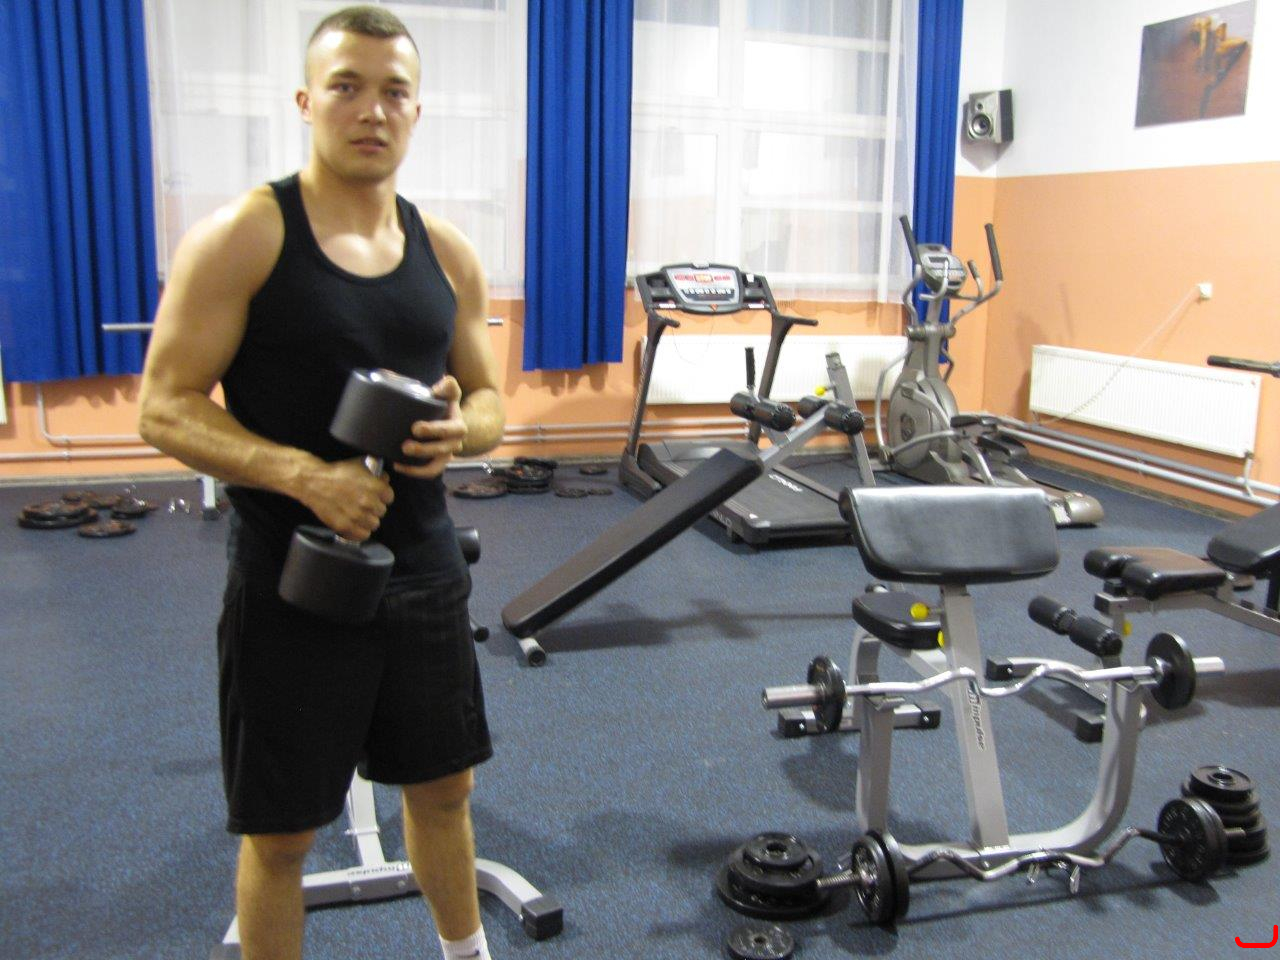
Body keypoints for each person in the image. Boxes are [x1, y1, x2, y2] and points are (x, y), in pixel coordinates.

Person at [138, 7, 504, 959]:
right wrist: (305, 476)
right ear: (306, 101)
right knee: (283, 832)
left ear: (418, 111)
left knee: (444, 791)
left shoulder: (447, 252)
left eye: (393, 91)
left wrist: (462, 431)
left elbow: (493, 401)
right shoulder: (245, 236)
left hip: (421, 568)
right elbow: (164, 406)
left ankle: (466, 953)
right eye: (347, 86)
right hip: (290, 579)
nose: (371, 109)